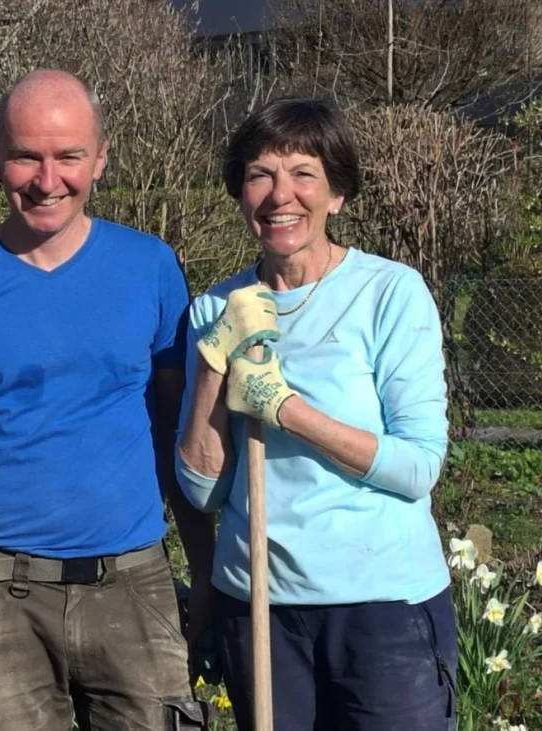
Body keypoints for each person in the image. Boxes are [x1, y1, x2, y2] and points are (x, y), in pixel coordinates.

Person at [0, 69, 211, 730]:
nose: (47, 179)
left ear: (100, 157)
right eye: (25, 156)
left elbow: (174, 434)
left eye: (68, 156)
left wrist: (205, 572)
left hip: (133, 585)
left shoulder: (151, 267)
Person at [176, 98, 456, 731]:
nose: (282, 195)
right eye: (259, 175)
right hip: (259, 605)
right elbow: (200, 488)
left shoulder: (389, 292)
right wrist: (217, 363)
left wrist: (287, 410)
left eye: (303, 173)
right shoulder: (215, 307)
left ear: (337, 194)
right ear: (241, 196)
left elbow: (417, 467)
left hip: (382, 610)